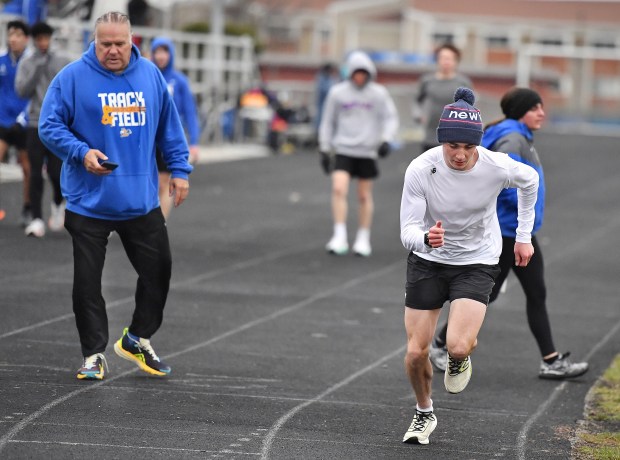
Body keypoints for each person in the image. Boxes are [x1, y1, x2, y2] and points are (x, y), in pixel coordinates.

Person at [38, 11, 192, 380]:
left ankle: (137, 338)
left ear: (131, 40)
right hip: (88, 201)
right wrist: (80, 152)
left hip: (139, 200)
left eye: (119, 43)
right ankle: (93, 354)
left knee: (160, 272)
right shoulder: (72, 77)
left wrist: (180, 169)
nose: (112, 50)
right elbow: (49, 125)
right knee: (88, 283)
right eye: (104, 43)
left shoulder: (150, 76)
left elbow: (169, 128)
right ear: (95, 41)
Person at [400, 87, 539, 445]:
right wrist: (425, 239)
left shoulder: (495, 165)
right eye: (452, 147)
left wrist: (523, 236)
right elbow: (407, 230)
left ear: (478, 144)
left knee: (458, 347)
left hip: (476, 261)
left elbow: (531, 180)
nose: (460, 155)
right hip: (428, 261)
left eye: (468, 147)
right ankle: (423, 412)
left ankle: (462, 357)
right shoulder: (421, 168)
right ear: (441, 143)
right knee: (416, 352)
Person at [428, 87, 589, 380]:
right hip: (509, 232)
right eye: (535, 108)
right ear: (521, 111)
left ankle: (549, 359)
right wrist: (520, 221)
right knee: (499, 294)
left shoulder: (514, 134)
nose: (542, 112)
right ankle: (441, 346)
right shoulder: (512, 139)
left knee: (507, 294)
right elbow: (500, 180)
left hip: (512, 230)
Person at [319, 50, 399, 257]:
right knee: (338, 189)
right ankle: (339, 235)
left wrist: (386, 139)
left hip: (367, 151)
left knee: (363, 195)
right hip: (344, 149)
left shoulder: (378, 93)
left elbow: (390, 118)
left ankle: (363, 237)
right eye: (357, 72)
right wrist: (325, 148)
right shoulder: (338, 93)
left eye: (364, 73)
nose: (360, 77)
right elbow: (328, 121)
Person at [15, 21, 71, 238]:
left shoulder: (63, 60)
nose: (42, 43)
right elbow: (21, 90)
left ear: (51, 37)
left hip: (58, 125)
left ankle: (58, 202)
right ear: (33, 40)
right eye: (38, 39)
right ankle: (37, 219)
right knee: (35, 173)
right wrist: (38, 68)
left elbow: (70, 87)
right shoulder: (28, 62)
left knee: (57, 173)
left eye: (45, 38)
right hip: (34, 123)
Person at [151, 36, 200, 219]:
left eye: (164, 51)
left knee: (163, 182)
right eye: (157, 51)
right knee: (146, 182)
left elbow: (190, 112)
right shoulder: (148, 76)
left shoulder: (180, 81)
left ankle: (159, 223)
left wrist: (194, 142)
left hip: (168, 138)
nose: (161, 56)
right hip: (148, 137)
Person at [412, 43, 472, 154]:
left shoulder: (462, 82)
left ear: (456, 61)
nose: (446, 62)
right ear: (437, 60)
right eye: (443, 58)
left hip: (454, 137)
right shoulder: (427, 81)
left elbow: (470, 107)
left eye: (449, 59)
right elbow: (417, 101)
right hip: (430, 134)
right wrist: (419, 115)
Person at [0, 19, 32, 227]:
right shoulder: (1, 60)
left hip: (24, 122)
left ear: (26, 39)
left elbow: (35, 94)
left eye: (18, 35)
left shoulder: (32, 63)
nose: (13, 38)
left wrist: (23, 118)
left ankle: (27, 207)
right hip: (2, 120)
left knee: (27, 168)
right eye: (11, 34)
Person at [314, 62, 338, 138]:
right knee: (322, 122)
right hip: (323, 106)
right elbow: (326, 91)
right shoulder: (322, 79)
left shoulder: (330, 79)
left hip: (328, 106)